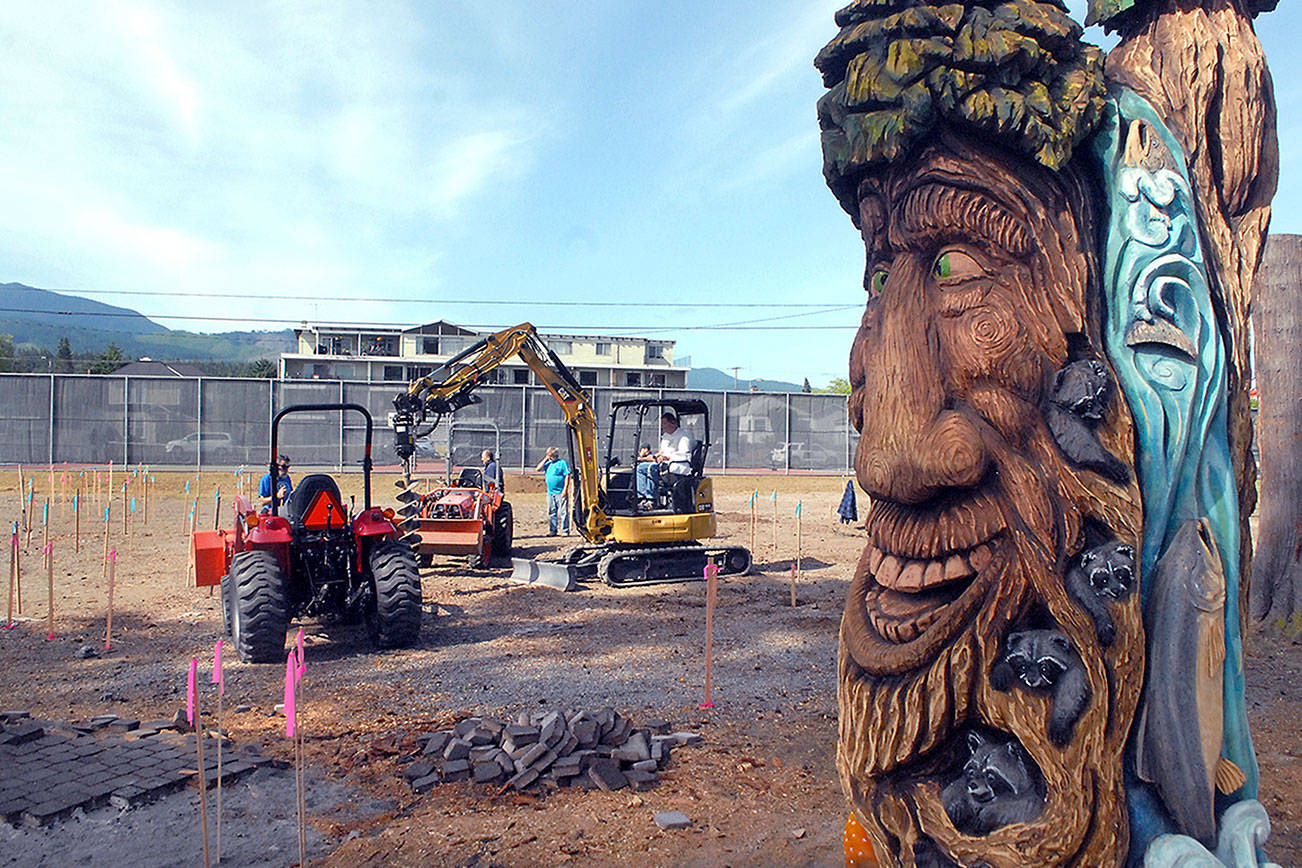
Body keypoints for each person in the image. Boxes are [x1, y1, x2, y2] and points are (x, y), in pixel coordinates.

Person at [655, 413, 695, 513]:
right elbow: (662, 452)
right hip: (664, 463)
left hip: (678, 465)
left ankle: (650, 499)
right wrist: (654, 456)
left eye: (665, 423)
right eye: (662, 423)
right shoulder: (665, 436)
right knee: (642, 468)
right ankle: (645, 498)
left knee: (650, 469)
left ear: (673, 423)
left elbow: (684, 454)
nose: (662, 426)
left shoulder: (683, 437)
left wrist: (667, 458)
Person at [534, 446, 571, 535]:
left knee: (563, 512)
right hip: (550, 493)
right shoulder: (548, 464)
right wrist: (546, 458)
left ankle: (565, 530)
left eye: (551, 455)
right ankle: (553, 530)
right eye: (549, 455)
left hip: (560, 492)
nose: (550, 457)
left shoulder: (562, 463)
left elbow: (567, 475)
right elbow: (538, 469)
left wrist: (565, 489)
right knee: (552, 512)